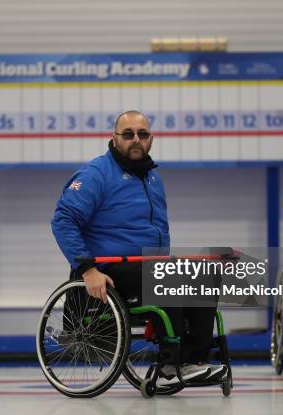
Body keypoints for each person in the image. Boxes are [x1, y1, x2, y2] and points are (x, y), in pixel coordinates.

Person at [51, 110, 227, 382]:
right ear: (114, 137)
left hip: (147, 268)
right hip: (110, 271)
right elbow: (63, 221)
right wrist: (88, 270)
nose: (136, 140)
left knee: (204, 275)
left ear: (151, 138)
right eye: (128, 134)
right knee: (169, 276)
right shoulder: (96, 174)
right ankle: (173, 362)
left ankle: (193, 359)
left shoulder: (152, 178)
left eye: (142, 134)